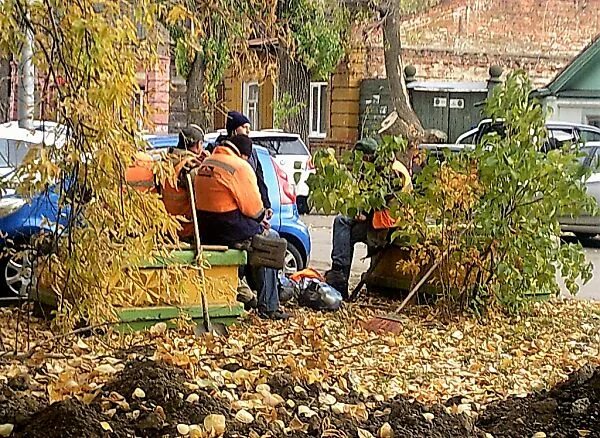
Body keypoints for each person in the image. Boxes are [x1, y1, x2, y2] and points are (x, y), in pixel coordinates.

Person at [195, 134, 289, 320]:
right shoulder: (239, 167)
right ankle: (269, 306)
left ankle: (251, 294)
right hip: (230, 230)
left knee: (262, 239)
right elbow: (254, 210)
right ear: (244, 155)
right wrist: (263, 216)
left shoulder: (207, 162)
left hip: (205, 229)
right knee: (272, 242)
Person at [325, 138, 412, 298]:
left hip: (388, 226)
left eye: (361, 159)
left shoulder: (391, 172)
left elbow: (381, 199)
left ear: (367, 157)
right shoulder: (386, 166)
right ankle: (339, 280)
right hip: (379, 222)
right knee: (343, 228)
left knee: (342, 224)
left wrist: (364, 212)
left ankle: (339, 277)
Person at [161, 125, 207, 242]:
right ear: (198, 145)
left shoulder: (165, 163)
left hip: (167, 228)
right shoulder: (191, 167)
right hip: (187, 229)